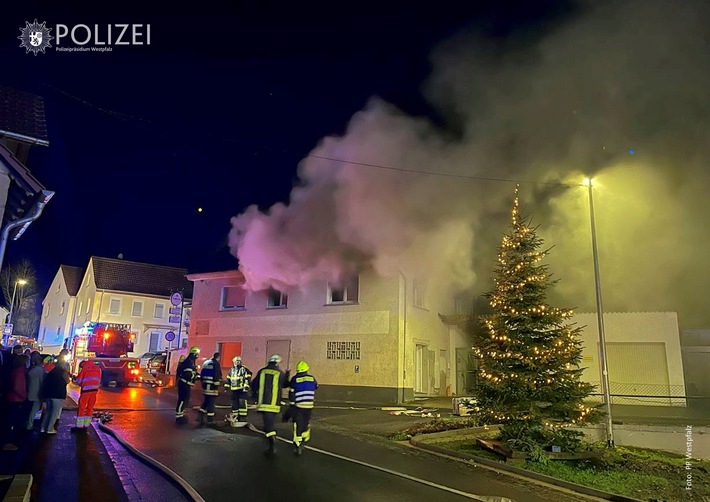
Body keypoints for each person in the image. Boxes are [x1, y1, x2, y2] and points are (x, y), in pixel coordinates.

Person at [251, 354, 289, 455]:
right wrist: (287, 375)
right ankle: (271, 441)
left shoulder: (262, 371)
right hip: (274, 404)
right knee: (269, 424)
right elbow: (285, 385)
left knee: (268, 426)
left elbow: (253, 385)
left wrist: (254, 395)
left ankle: (271, 443)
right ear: (277, 363)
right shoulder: (279, 373)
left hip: (263, 403)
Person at [288, 360, 318, 456]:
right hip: (309, 405)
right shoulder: (311, 378)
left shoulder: (295, 379)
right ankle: (305, 438)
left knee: (297, 424)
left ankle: (298, 443)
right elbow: (316, 386)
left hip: (299, 405)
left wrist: (292, 404)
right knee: (306, 422)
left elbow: (291, 392)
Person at [1, 354, 29, 450]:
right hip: (17, 400)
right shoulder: (20, 373)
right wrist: (24, 396)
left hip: (13, 398)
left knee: (11, 420)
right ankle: (9, 442)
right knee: (13, 421)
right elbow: (18, 387)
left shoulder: (16, 371)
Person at [41, 361, 69, 434]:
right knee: (54, 413)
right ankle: (50, 428)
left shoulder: (51, 372)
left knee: (48, 411)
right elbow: (67, 381)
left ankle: (43, 427)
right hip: (57, 395)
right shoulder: (63, 373)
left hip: (49, 394)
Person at [74, 360, 102, 430]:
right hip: (94, 390)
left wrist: (76, 380)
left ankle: (79, 426)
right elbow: (99, 380)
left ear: (82, 364)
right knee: (90, 407)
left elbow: (78, 381)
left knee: (82, 407)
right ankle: (86, 425)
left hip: (86, 390)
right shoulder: (98, 368)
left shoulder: (85, 368)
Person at [224, 356, 252, 426]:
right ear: (233, 362)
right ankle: (235, 416)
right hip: (234, 390)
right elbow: (228, 379)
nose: (237, 362)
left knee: (242, 403)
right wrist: (226, 387)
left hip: (242, 389)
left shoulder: (244, 369)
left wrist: (246, 386)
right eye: (236, 361)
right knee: (234, 404)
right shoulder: (231, 370)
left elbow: (247, 378)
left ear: (240, 362)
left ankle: (242, 417)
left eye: (238, 361)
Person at [176, 347, 200, 424]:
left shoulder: (190, 361)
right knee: (182, 400)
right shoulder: (189, 362)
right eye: (196, 354)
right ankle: (179, 417)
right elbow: (188, 374)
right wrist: (196, 377)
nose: (197, 356)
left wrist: (197, 375)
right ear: (193, 354)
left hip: (185, 384)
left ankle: (181, 415)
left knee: (185, 400)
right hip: (184, 384)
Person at [198, 352, 221, 425]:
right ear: (218, 357)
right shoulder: (216, 363)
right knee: (211, 402)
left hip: (205, 385)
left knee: (206, 400)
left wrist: (202, 382)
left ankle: (200, 415)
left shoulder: (206, 363)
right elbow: (217, 375)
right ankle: (210, 420)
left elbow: (202, 373)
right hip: (212, 386)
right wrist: (217, 385)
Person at [26, 352, 46, 430]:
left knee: (31, 410)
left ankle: (28, 424)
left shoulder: (31, 369)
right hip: (37, 393)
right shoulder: (40, 370)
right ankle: (30, 425)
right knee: (34, 410)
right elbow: (42, 382)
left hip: (30, 392)